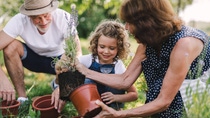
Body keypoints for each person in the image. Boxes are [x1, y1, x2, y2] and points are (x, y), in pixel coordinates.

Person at [73, 0, 210, 117]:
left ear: (146, 23)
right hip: (164, 105)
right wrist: (84, 71)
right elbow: (125, 80)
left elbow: (164, 101)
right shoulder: (147, 44)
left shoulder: (183, 45)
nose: (126, 28)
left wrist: (119, 114)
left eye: (129, 22)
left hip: (195, 103)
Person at [0, 0, 82, 113]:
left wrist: (63, 85)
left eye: (46, 15)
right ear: (28, 15)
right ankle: (22, 99)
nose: (43, 21)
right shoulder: (19, 20)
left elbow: (77, 54)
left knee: (71, 58)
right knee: (10, 47)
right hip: (34, 59)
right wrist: (2, 79)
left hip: (60, 61)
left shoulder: (64, 17)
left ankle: (57, 83)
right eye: (36, 17)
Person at [79, 20, 138, 110]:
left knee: (117, 82)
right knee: (85, 80)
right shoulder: (89, 60)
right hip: (92, 108)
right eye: (102, 47)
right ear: (96, 45)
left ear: (119, 48)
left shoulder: (118, 66)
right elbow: (68, 64)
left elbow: (134, 94)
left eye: (112, 48)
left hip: (112, 109)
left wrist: (116, 97)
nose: (106, 52)